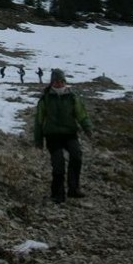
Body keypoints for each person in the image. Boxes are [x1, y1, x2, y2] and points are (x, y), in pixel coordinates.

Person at [34, 68, 92, 204]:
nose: (58, 84)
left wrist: (87, 128)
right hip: (52, 135)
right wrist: (38, 140)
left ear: (64, 81)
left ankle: (74, 188)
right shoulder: (45, 98)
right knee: (58, 163)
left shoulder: (72, 97)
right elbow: (39, 120)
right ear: (52, 82)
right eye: (56, 81)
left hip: (70, 133)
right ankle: (57, 193)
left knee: (76, 156)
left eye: (61, 81)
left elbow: (81, 114)